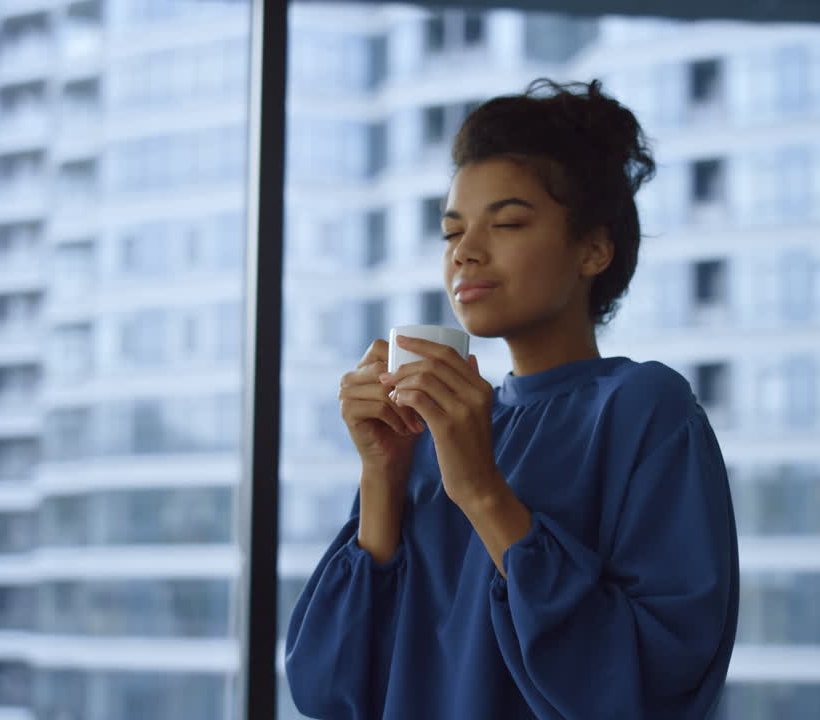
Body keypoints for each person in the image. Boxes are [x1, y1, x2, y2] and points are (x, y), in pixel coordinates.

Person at [285, 78, 739, 720]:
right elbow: (328, 689)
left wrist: (481, 489)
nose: (466, 252)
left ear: (593, 248)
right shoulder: (430, 430)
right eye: (451, 233)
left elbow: (651, 684)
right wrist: (382, 476)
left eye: (508, 222)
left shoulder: (644, 409)